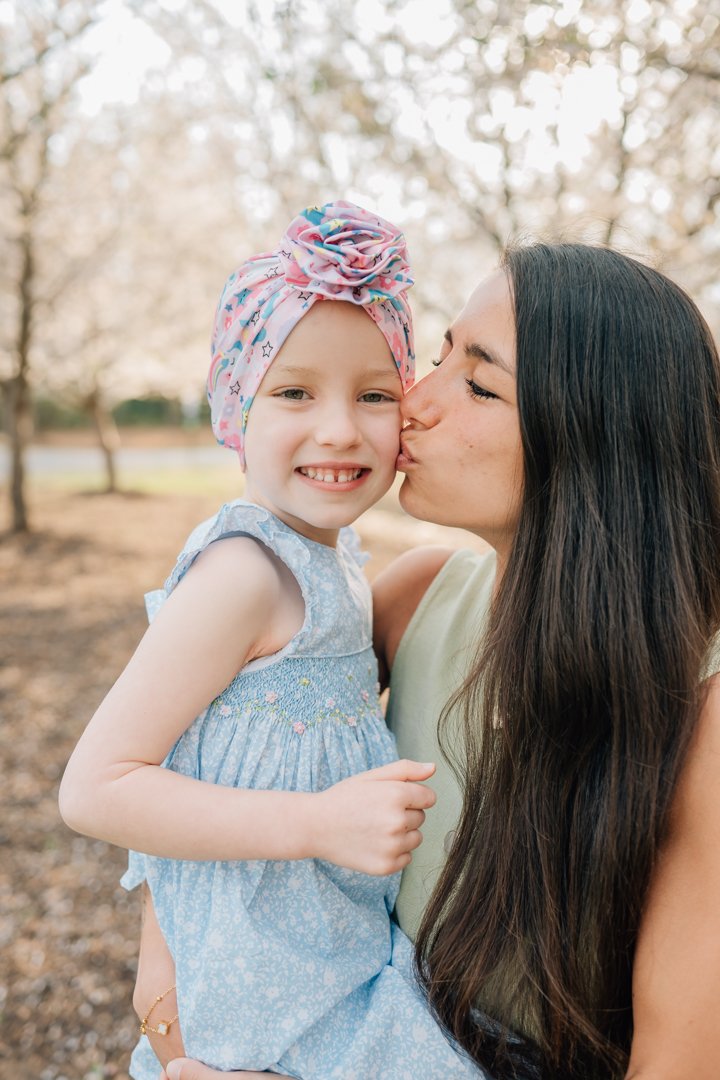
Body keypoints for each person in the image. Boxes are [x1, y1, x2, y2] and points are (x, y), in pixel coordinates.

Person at [154, 242, 720, 1080]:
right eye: (437, 356)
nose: (410, 402)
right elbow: (199, 757)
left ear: (600, 442)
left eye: (480, 384)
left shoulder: (700, 715)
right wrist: (175, 1014)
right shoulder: (413, 598)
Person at [59, 201, 484, 1080]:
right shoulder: (246, 573)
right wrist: (316, 821)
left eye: (374, 395)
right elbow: (95, 788)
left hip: (329, 972)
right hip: (263, 1013)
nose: (338, 428)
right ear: (235, 406)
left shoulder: (336, 570)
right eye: (294, 392)